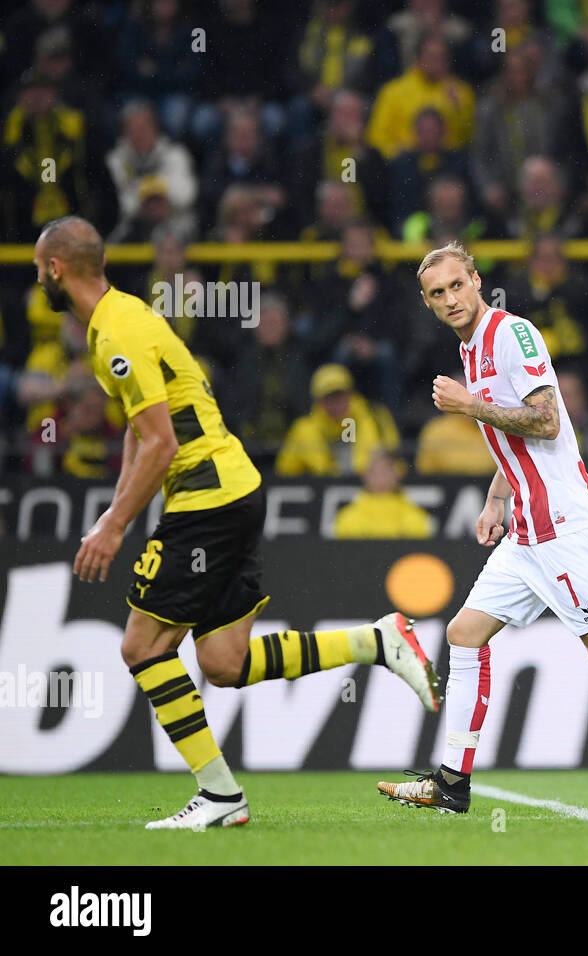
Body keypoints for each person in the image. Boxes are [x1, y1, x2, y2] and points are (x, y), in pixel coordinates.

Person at [32, 216, 439, 830]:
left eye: (39, 267)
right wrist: (113, 513)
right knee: (223, 662)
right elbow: (141, 441)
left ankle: (220, 796)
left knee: (142, 647)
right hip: (232, 489)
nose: (37, 277)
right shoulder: (120, 320)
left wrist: (115, 526)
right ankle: (376, 641)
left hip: (208, 498)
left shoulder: (116, 332)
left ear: (56, 268)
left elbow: (162, 443)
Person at [377, 241, 588, 815]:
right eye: (437, 293)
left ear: (476, 280)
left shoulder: (511, 334)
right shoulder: (472, 350)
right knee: (463, 633)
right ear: (428, 305)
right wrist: (495, 498)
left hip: (560, 524)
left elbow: (548, 420)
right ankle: (452, 782)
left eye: (457, 285)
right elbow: (515, 438)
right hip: (525, 532)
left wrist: (466, 407)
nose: (450, 299)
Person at [333, 449, 433, 539]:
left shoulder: (416, 518)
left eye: (385, 470)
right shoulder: (348, 518)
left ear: (397, 474)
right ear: (365, 475)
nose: (380, 477)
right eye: (375, 471)